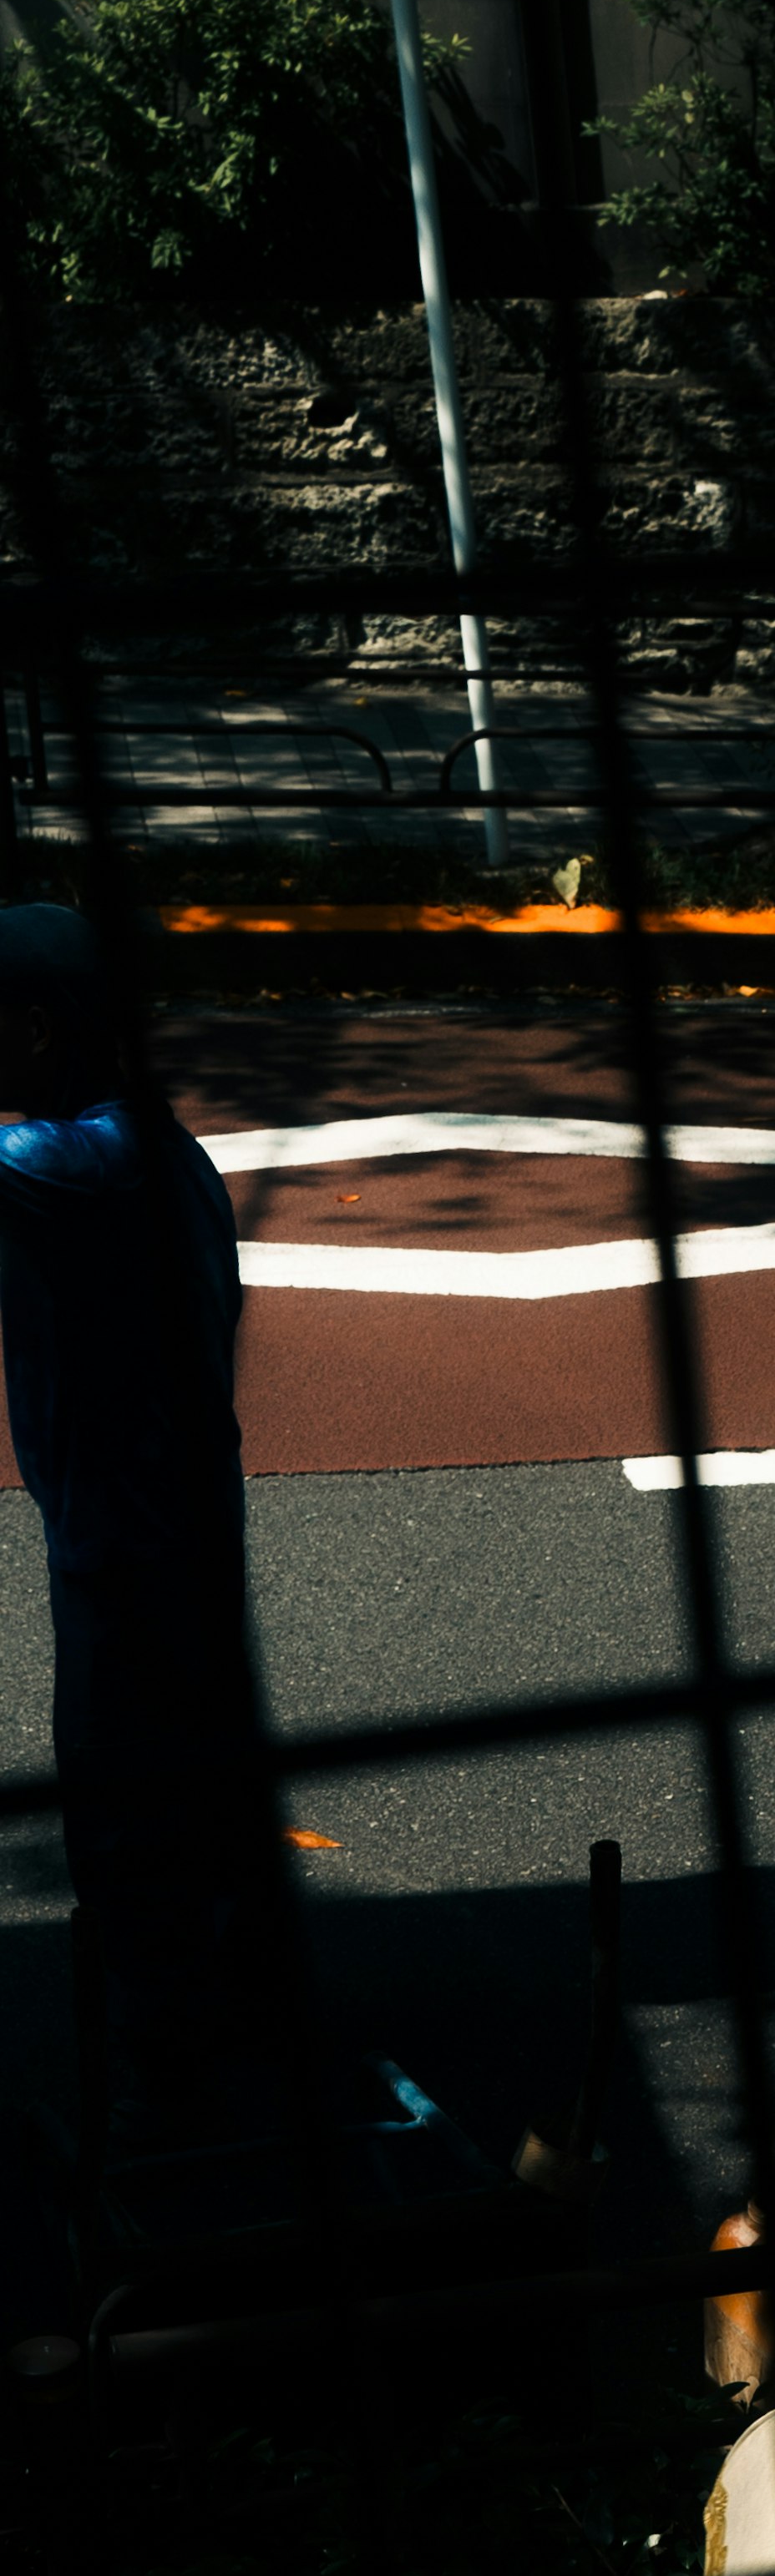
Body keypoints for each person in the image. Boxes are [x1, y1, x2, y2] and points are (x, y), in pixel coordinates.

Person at [0, 899, 263, 2117]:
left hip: (125, 1549)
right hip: (176, 1523)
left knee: (127, 1818)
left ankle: (178, 2101)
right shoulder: (159, 1150)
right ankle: (205, 2028)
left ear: (39, 1030)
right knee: (187, 1799)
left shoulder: (72, 1166)